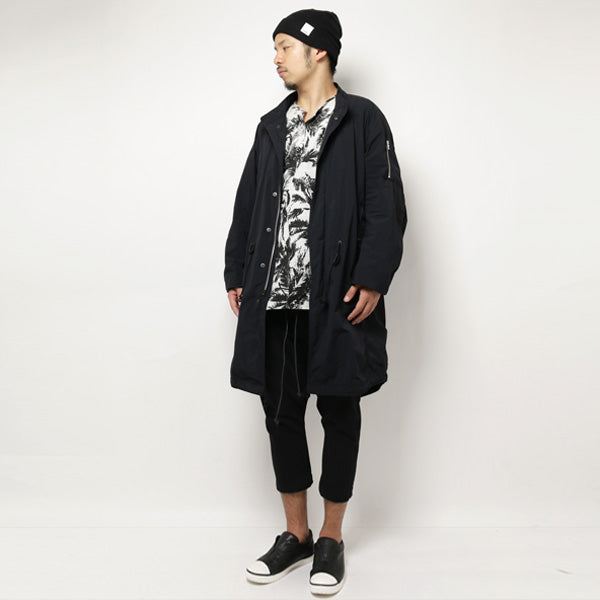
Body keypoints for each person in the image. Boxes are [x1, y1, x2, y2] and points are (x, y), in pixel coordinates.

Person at [224, 8, 407, 595]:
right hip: (275, 297)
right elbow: (247, 202)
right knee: (280, 412)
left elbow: (386, 206)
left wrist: (372, 276)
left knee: (339, 411)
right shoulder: (271, 126)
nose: (276, 58)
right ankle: (295, 534)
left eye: (284, 46)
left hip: (336, 298)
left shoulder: (363, 120)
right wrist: (236, 270)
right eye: (275, 48)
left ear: (318, 50)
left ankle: (331, 538)